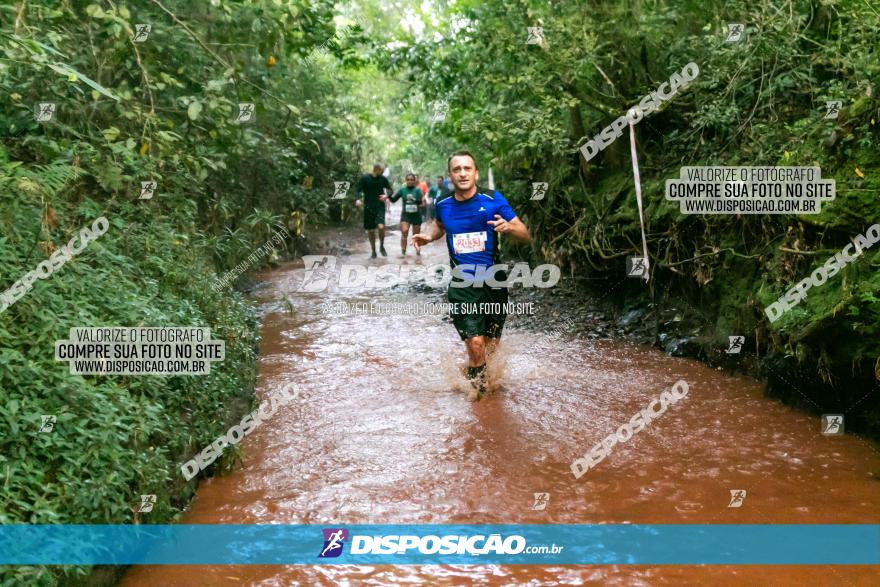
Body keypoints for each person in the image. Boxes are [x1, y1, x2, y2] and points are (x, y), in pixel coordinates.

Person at [413, 150, 530, 400]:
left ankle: (477, 376)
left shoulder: (493, 199)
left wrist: (509, 227)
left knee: (490, 346)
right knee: (475, 344)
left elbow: (525, 233)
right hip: (462, 283)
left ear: (476, 173)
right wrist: (429, 236)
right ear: (450, 176)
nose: (463, 173)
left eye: (467, 168)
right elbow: (440, 226)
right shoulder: (443, 203)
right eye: (457, 169)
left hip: (494, 282)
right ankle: (481, 400)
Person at [355, 163, 391, 258]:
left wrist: (386, 195)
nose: (381, 172)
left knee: (381, 227)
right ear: (375, 169)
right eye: (380, 170)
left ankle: (381, 246)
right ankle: (373, 251)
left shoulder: (383, 179)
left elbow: (390, 190)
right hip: (368, 207)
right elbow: (358, 190)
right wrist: (358, 199)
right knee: (370, 231)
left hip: (380, 206)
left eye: (381, 171)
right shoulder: (365, 178)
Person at [389, 173, 425, 256]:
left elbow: (420, 202)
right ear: (406, 181)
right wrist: (389, 195)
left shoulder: (417, 190)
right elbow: (394, 200)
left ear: (414, 181)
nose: (410, 181)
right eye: (408, 180)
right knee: (404, 232)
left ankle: (418, 252)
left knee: (415, 236)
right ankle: (403, 252)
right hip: (406, 215)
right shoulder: (402, 190)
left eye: (412, 180)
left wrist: (414, 200)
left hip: (416, 215)